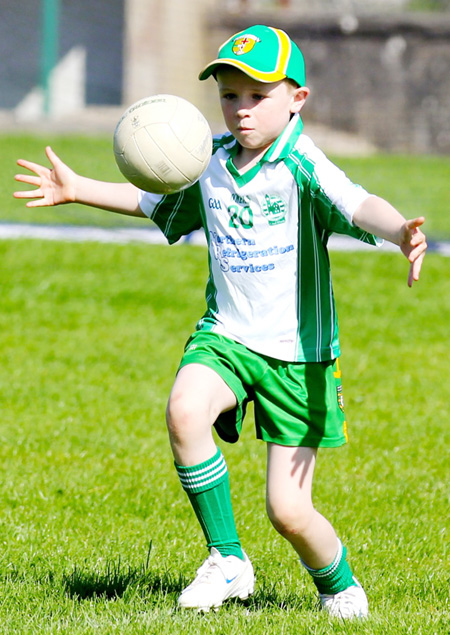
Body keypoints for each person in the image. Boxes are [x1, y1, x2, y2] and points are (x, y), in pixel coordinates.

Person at [14, 24, 426, 619]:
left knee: (288, 511)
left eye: (257, 96)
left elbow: (356, 201)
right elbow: (153, 200)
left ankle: (339, 586)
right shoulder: (207, 160)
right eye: (230, 96)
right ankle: (227, 560)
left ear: (297, 100)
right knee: (184, 408)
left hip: (297, 355)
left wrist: (400, 232)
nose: (241, 110)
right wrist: (79, 189)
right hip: (227, 337)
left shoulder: (302, 164)